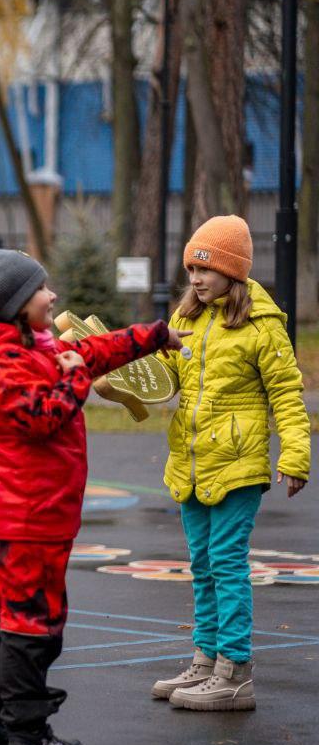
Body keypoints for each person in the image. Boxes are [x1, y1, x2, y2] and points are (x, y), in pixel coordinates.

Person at [0, 248, 186, 745]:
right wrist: (76, 379)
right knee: (34, 624)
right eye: (41, 289)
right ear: (14, 305)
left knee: (3, 615)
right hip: (27, 518)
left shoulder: (31, 345)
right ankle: (29, 736)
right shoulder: (1, 364)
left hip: (31, 514)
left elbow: (90, 351)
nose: (52, 296)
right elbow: (43, 416)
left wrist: (155, 335)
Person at [149, 216, 309, 711]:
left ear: (232, 271)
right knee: (201, 565)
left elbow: (287, 394)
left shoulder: (262, 326)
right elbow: (165, 377)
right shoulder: (187, 318)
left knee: (226, 563)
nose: (195, 279)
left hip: (238, 466)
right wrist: (126, 376)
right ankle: (206, 660)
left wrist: (296, 454)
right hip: (191, 462)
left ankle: (235, 672)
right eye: (191, 270)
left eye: (206, 269)